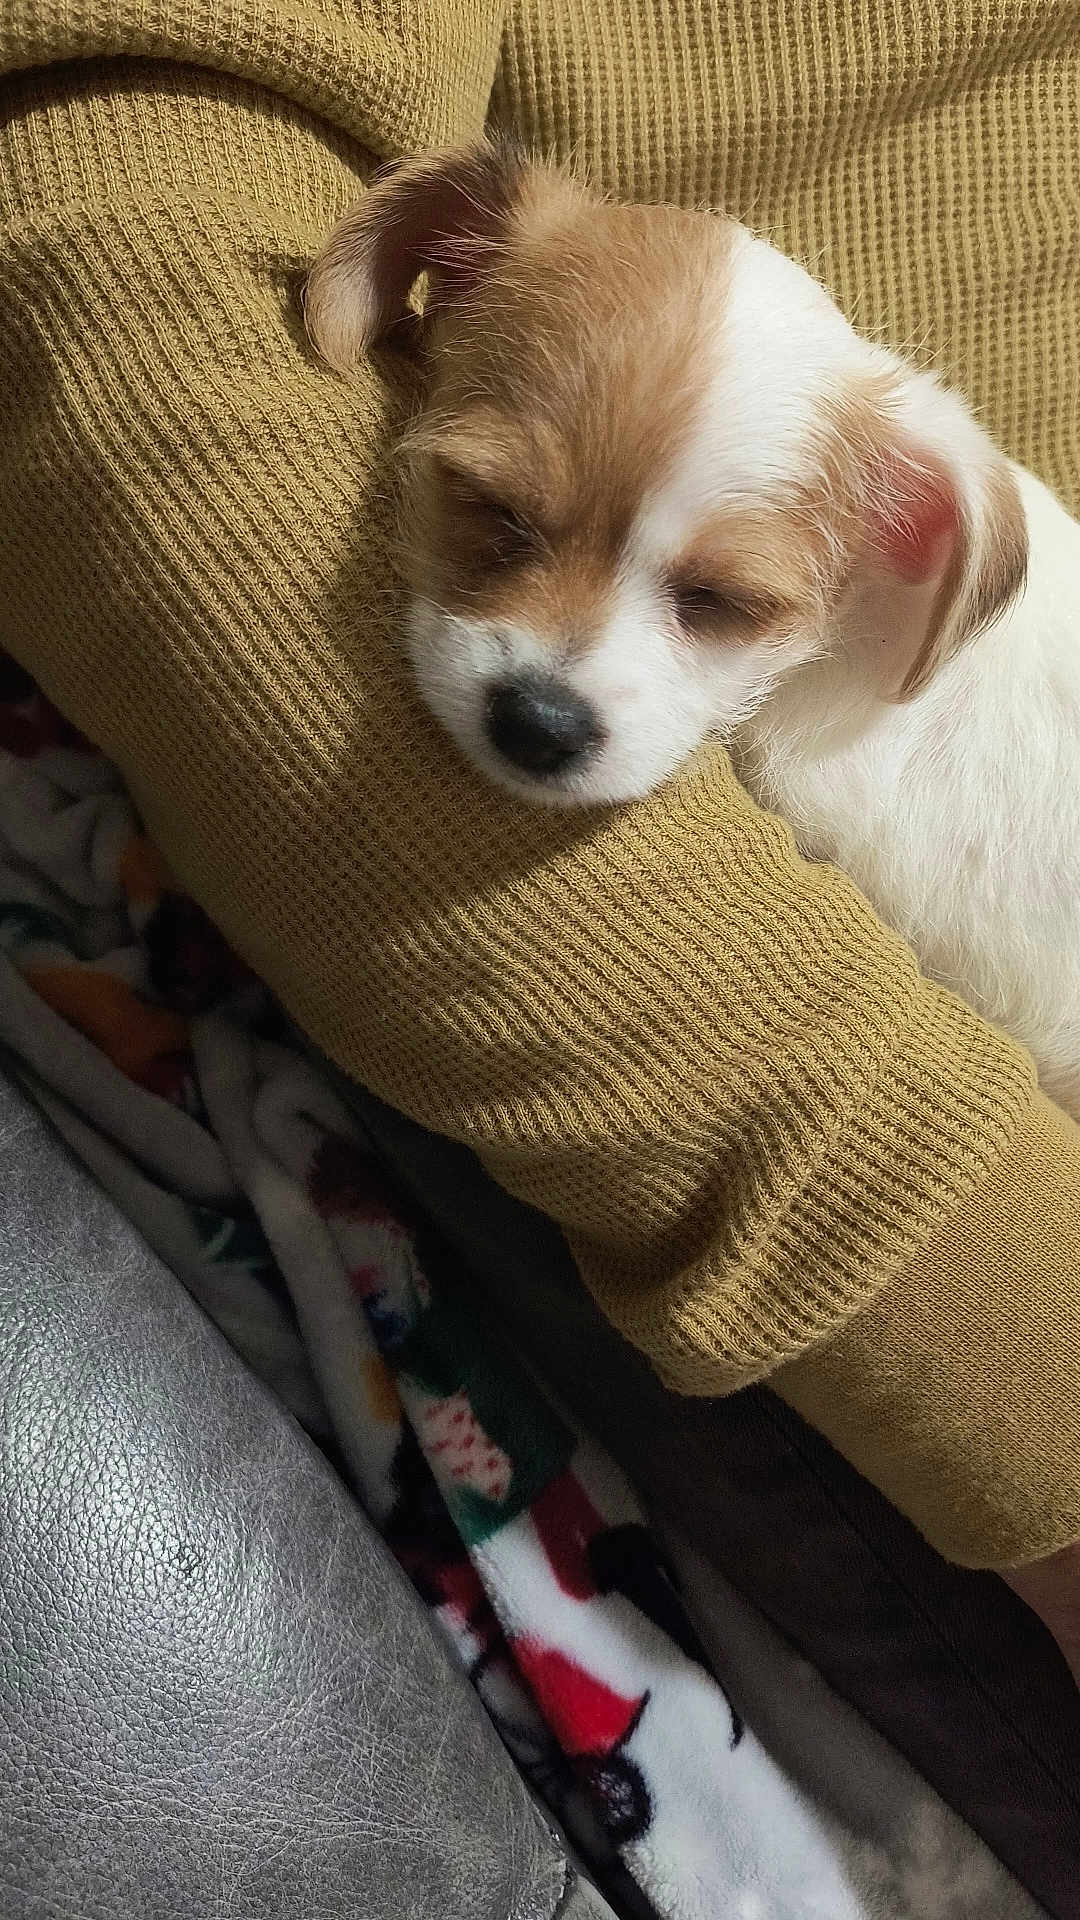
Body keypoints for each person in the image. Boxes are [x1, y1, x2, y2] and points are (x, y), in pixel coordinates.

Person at [1, 0, 1078, 1683]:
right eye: (498, 514)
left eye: (711, 605)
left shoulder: (927, 517)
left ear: (921, 549)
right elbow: (108, 209)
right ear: (422, 263)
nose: (559, 682)